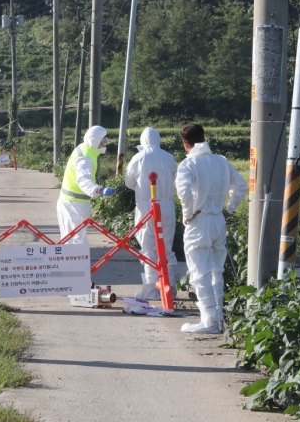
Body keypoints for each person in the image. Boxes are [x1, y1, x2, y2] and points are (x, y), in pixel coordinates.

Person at [176, 124, 247, 333]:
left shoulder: (188, 164)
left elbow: (185, 192)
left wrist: (188, 214)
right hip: (218, 219)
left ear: (185, 144)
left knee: (200, 272)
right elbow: (241, 186)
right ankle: (218, 320)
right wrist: (229, 210)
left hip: (199, 221)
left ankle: (209, 321)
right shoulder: (221, 161)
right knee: (217, 271)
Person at [125, 127, 178, 301]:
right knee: (166, 247)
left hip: (146, 207)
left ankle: (150, 291)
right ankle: (170, 290)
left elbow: (129, 182)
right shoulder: (169, 157)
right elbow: (174, 177)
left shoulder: (138, 158)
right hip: (167, 206)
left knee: (148, 248)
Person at [57, 125, 116, 244]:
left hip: (75, 203)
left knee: (73, 239)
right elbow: (83, 180)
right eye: (104, 141)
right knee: (75, 241)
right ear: (96, 141)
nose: (105, 144)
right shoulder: (85, 158)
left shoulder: (86, 149)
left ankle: (74, 262)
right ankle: (76, 263)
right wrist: (99, 190)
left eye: (106, 141)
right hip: (72, 205)